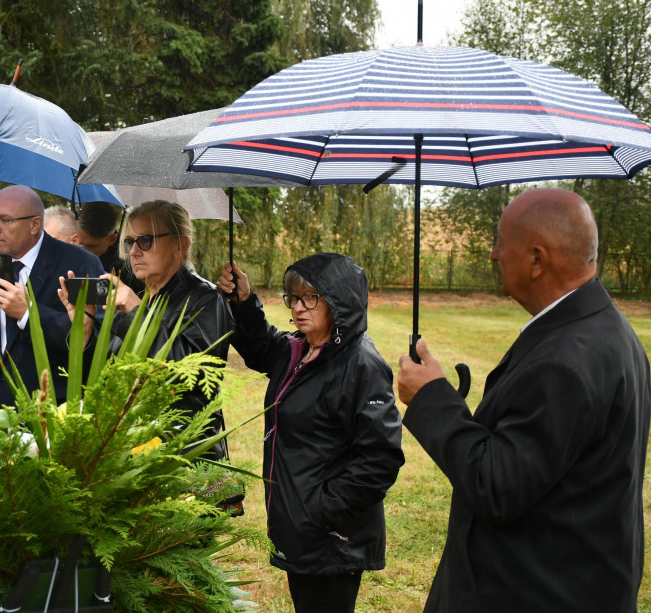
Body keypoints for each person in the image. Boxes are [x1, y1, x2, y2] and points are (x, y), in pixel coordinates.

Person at [396, 188, 650, 613]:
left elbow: (497, 485)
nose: (494, 254)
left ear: (536, 259)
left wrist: (430, 399)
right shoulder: (605, 330)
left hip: (534, 592)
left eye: (501, 242)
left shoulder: (564, 362)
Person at [218, 253, 404, 613]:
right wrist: (243, 301)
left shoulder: (359, 364)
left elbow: (380, 458)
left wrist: (320, 511)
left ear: (339, 301)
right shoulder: (300, 350)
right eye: (293, 298)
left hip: (331, 538)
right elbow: (260, 345)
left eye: (311, 298)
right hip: (301, 529)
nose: (299, 307)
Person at [73, 200, 234, 462]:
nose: (134, 252)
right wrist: (86, 332)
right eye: (128, 243)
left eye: (145, 241)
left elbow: (193, 376)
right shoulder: (137, 299)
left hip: (183, 459)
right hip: (130, 457)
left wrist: (137, 314)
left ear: (180, 245)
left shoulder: (207, 299)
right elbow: (103, 380)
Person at [0, 185, 104, 408]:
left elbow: (96, 341)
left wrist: (29, 314)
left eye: (5, 220)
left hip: (52, 415)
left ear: (35, 224)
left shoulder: (79, 263)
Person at [77, 201, 143, 295]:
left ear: (112, 239)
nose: (84, 251)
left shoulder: (129, 263)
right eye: (80, 244)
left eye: (91, 246)